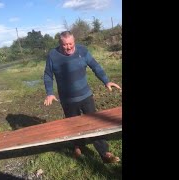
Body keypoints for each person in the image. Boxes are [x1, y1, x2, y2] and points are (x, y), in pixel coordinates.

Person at [43, 31, 121, 163]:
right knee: (73, 125)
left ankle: (105, 153)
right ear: (60, 44)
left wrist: (106, 81)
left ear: (74, 42)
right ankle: (78, 146)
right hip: (68, 100)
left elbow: (95, 66)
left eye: (70, 44)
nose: (68, 47)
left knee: (95, 124)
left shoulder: (82, 51)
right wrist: (50, 92)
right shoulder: (53, 55)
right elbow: (48, 75)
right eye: (65, 44)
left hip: (86, 96)